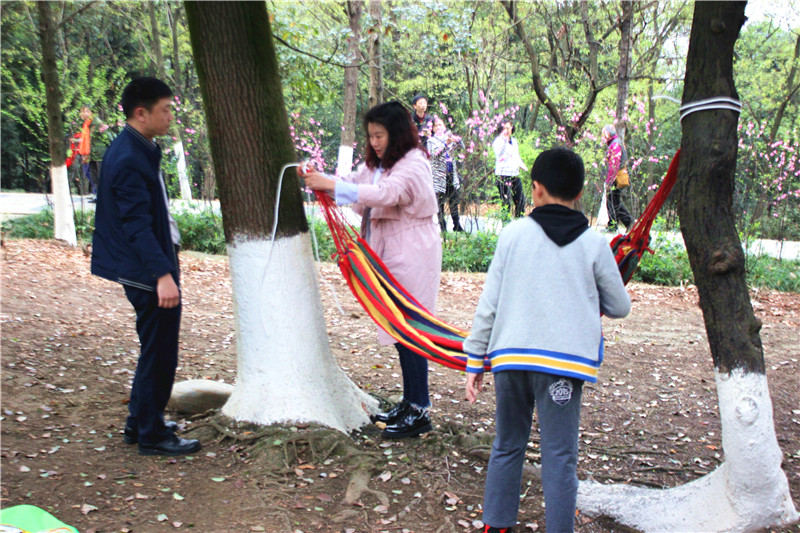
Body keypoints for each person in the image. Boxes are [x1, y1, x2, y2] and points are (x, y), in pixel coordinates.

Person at [464, 148, 631, 533]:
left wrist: (475, 361)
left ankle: (497, 524)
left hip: (510, 362)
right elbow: (619, 306)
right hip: (563, 367)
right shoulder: (594, 244)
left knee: (507, 445)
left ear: (535, 190)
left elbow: (488, 304)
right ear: (578, 193)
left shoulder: (512, 235)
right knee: (559, 456)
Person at [300, 101, 441, 439]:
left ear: (397, 133)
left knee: (410, 328)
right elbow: (355, 184)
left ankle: (420, 408)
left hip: (412, 251)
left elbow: (385, 194)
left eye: (380, 135)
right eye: (371, 136)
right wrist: (318, 179)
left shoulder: (414, 163)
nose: (375, 142)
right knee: (399, 328)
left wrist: (331, 185)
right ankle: (410, 402)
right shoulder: (377, 165)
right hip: (385, 250)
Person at [91, 77, 201, 457]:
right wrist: (163, 276)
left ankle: (140, 423)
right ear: (142, 113)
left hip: (148, 265)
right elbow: (135, 225)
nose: (171, 116)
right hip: (145, 271)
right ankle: (153, 435)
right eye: (165, 109)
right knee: (160, 351)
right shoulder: (128, 158)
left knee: (154, 347)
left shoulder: (139, 147)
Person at [427, 115, 464, 232]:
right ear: (432, 129)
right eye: (436, 125)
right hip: (439, 177)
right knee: (440, 203)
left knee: (453, 201)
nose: (438, 127)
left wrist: (457, 140)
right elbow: (434, 154)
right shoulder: (431, 141)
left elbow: (461, 148)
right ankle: (443, 228)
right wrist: (445, 145)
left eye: (440, 125)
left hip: (451, 175)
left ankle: (457, 225)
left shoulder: (449, 138)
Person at [602, 124, 634, 232]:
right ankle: (626, 224)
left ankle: (616, 225)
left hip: (616, 177)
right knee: (614, 201)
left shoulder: (614, 145)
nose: (603, 136)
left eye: (604, 133)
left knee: (612, 202)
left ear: (608, 133)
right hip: (617, 176)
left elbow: (614, 165)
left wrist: (609, 181)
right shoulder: (616, 143)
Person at [492, 121, 528, 217]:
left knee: (520, 200)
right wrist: (504, 141)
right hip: (503, 175)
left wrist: (523, 166)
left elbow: (516, 156)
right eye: (504, 129)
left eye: (508, 128)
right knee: (506, 202)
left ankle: (519, 220)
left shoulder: (514, 141)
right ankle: (506, 224)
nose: (506, 131)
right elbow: (499, 155)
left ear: (512, 128)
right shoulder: (498, 141)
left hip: (514, 174)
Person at [74, 106, 97, 202]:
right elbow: (85, 139)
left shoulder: (92, 123)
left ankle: (97, 193)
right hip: (84, 151)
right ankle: (95, 192)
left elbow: (90, 139)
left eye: (87, 111)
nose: (84, 114)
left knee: (90, 173)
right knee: (88, 172)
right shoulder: (86, 124)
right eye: (83, 112)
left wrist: (87, 153)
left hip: (89, 152)